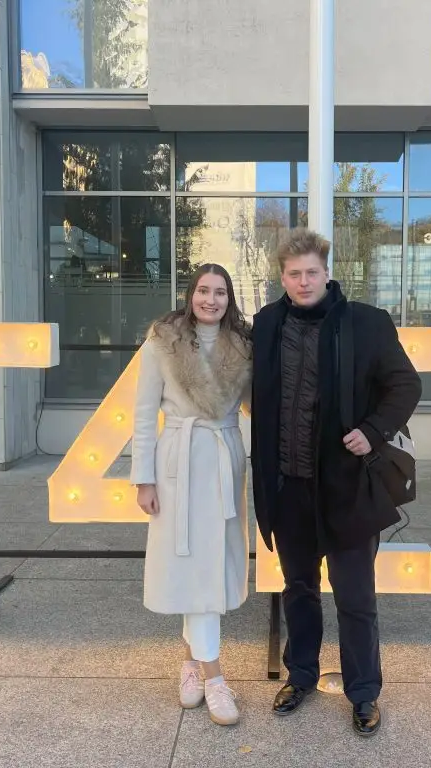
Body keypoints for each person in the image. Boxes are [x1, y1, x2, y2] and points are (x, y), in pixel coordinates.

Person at [249, 229, 422, 737]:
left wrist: (373, 431)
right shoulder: (266, 324)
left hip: (346, 488)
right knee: (298, 589)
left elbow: (406, 384)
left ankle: (364, 692)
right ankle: (300, 675)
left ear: (327, 272)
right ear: (282, 277)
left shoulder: (366, 323)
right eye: (293, 274)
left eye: (311, 273)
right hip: (288, 488)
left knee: (356, 598)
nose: (303, 282)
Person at [130, 263, 253, 727]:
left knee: (209, 567)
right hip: (177, 462)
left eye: (221, 292)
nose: (211, 300)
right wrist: (144, 478)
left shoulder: (242, 345)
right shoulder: (163, 341)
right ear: (190, 293)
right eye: (204, 290)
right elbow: (143, 414)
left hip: (223, 459)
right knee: (190, 567)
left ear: (229, 298)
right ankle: (215, 677)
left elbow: (256, 405)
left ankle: (190, 665)